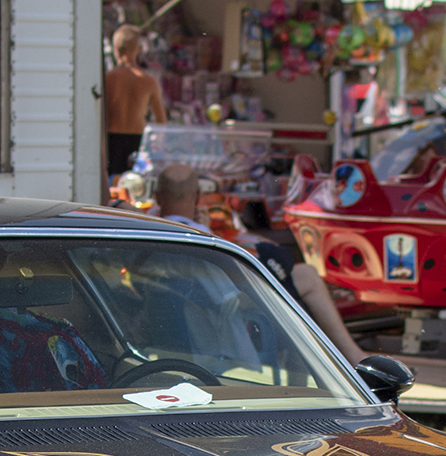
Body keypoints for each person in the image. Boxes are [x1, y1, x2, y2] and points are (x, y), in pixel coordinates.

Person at [154, 164, 369, 365]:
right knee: (305, 280)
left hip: (178, 325)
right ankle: (352, 356)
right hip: (225, 318)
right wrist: (207, 231)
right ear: (198, 196)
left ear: (157, 197)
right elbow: (229, 297)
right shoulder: (201, 238)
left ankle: (346, 358)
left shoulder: (147, 230)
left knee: (302, 276)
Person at [104, 25, 165, 180]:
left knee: (112, 184)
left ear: (115, 48)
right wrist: (157, 142)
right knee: (134, 185)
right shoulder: (149, 81)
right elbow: (161, 120)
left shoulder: (107, 79)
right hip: (138, 141)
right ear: (139, 49)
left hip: (110, 141)